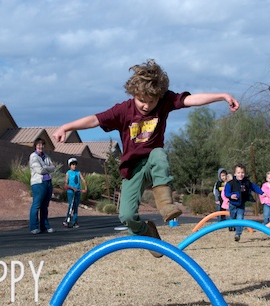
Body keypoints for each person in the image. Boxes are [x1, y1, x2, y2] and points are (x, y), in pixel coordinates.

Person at [52, 59, 239, 257]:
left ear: (159, 97)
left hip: (153, 161)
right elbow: (94, 120)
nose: (146, 106)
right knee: (127, 215)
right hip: (132, 168)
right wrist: (67, 126)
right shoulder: (123, 110)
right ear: (133, 94)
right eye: (142, 101)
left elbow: (191, 100)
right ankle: (146, 231)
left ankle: (165, 204)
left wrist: (222, 96)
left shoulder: (165, 100)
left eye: (152, 102)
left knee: (159, 154)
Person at [224, 163, 265, 242]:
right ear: (235, 174)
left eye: (242, 172)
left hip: (241, 205)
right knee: (232, 217)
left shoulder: (246, 182)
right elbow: (226, 192)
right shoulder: (230, 183)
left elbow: (254, 187)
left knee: (240, 219)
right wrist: (230, 196)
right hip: (232, 204)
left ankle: (238, 234)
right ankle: (231, 225)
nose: (240, 174)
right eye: (238, 173)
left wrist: (262, 193)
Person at [29, 137, 55, 234]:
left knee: (45, 206)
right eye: (39, 145)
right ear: (35, 146)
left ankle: (45, 226)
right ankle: (33, 227)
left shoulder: (46, 156)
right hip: (38, 183)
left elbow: (53, 167)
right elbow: (39, 170)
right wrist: (48, 168)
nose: (41, 146)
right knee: (36, 205)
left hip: (48, 182)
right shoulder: (33, 157)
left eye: (42, 145)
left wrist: (45, 167)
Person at [63, 157, 88, 228]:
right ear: (69, 165)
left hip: (77, 191)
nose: (74, 166)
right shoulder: (68, 173)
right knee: (71, 205)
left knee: (76, 206)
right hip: (70, 191)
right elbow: (66, 184)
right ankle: (67, 220)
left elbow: (83, 180)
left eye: (75, 164)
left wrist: (85, 188)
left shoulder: (78, 172)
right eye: (72, 164)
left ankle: (75, 222)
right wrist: (72, 188)